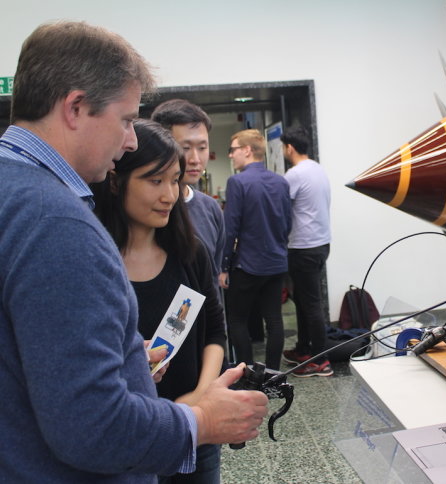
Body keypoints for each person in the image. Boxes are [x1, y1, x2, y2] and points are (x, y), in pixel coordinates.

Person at [0, 21, 267, 483]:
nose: (128, 140)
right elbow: (92, 427)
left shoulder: (14, 192)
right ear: (76, 107)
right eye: (125, 120)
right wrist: (201, 421)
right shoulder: (57, 222)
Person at [92, 119, 227, 483]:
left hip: (197, 430)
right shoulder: (95, 261)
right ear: (117, 181)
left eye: (175, 180)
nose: (169, 194)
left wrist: (199, 397)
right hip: (131, 433)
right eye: (155, 181)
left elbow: (215, 331)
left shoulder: (190, 253)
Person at [221, 129, 291, 370]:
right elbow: (287, 223)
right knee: (274, 320)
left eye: (233, 150)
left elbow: (231, 228)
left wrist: (224, 265)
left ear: (247, 151)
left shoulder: (237, 182)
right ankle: (272, 374)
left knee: (237, 320)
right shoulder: (281, 181)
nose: (231, 156)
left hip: (248, 265)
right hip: (276, 262)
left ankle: (247, 372)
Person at [151, 99, 225, 297]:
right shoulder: (145, 209)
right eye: (185, 148)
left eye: (202, 148)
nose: (195, 159)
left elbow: (212, 279)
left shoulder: (210, 208)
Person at [279, 127, 333, 377]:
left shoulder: (295, 174)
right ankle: (303, 350)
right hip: (321, 244)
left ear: (289, 147)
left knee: (310, 304)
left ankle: (320, 361)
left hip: (303, 247)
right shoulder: (318, 169)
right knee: (303, 300)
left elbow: (281, 208)